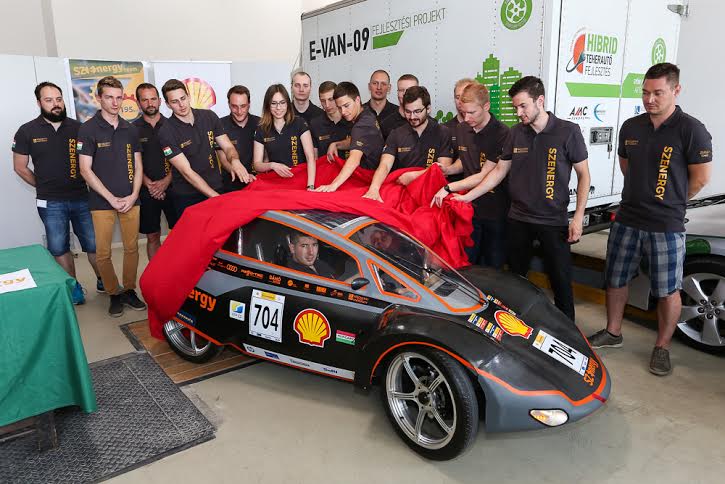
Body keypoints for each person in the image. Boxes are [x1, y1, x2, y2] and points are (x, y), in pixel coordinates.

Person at [587, 63, 712, 376]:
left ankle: (662, 347)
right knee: (616, 278)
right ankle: (613, 332)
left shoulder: (691, 129)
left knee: (668, 289)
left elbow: (700, 179)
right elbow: (626, 166)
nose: (649, 99)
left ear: (676, 90)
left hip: (666, 225)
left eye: (658, 93)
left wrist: (669, 201)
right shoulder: (631, 127)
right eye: (645, 92)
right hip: (627, 218)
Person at [446, 76, 590, 321]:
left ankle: (568, 329)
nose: (518, 113)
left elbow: (584, 175)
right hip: (518, 219)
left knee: (561, 282)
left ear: (540, 101)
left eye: (523, 106)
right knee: (516, 282)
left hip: (553, 221)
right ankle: (519, 328)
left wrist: (577, 217)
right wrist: (466, 197)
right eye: (515, 108)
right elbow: (497, 173)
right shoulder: (515, 133)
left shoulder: (567, 131)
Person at [12, 81, 102, 304]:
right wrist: (42, 186)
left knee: (94, 244)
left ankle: (104, 280)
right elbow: (20, 167)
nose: (55, 104)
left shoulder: (79, 128)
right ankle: (74, 288)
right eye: (49, 100)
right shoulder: (26, 131)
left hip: (82, 197)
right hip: (50, 202)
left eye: (58, 99)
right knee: (59, 247)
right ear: (39, 103)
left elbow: (93, 163)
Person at [78, 76, 146, 317]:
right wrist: (110, 198)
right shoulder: (87, 129)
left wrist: (134, 194)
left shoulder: (130, 129)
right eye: (109, 97)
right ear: (99, 98)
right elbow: (85, 169)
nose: (115, 102)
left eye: (119, 97)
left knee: (132, 248)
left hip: (131, 200)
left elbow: (138, 165)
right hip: (101, 202)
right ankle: (113, 293)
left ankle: (129, 289)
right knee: (103, 252)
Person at [431, 83, 511, 268]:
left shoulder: (502, 133)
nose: (466, 118)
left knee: (492, 266)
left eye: (472, 113)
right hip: (469, 211)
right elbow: (465, 160)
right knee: (467, 262)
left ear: (486, 106)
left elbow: (485, 175)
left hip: (495, 211)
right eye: (463, 112)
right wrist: (448, 170)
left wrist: (448, 188)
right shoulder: (462, 129)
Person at [158, 79, 248, 219]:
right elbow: (186, 172)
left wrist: (235, 161)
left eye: (183, 98)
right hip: (188, 196)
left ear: (188, 96)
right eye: (175, 102)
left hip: (216, 186)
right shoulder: (166, 131)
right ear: (168, 104)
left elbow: (227, 146)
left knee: (220, 231)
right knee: (193, 233)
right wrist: (216, 197)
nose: (181, 105)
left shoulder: (209, 116)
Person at [362, 86, 453, 202]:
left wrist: (414, 176)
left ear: (428, 108)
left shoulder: (442, 132)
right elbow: (385, 165)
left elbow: (443, 170)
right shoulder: (396, 134)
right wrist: (374, 189)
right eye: (408, 112)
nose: (412, 117)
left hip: (432, 192)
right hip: (403, 192)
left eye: (417, 111)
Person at [133, 83, 177, 261]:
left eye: (153, 99)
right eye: (145, 100)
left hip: (174, 187)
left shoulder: (173, 125)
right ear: (138, 103)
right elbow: (131, 162)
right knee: (152, 236)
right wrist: (149, 185)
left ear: (159, 101)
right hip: (146, 190)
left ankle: (177, 272)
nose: (150, 103)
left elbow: (184, 159)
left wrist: (166, 182)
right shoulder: (131, 130)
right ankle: (156, 273)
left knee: (179, 234)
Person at [315, 82, 384, 192]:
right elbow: (358, 139)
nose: (343, 112)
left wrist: (333, 185)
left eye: (346, 106)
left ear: (357, 100)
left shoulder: (361, 126)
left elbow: (354, 160)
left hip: (365, 178)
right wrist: (337, 144)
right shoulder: (366, 112)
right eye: (339, 107)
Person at [252, 84, 316, 189]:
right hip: (275, 183)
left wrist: (310, 186)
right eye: (274, 103)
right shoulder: (262, 129)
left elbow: (310, 157)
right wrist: (272, 165)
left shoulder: (299, 123)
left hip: (300, 179)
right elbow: (257, 164)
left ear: (287, 104)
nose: (278, 108)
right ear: (268, 105)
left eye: (282, 103)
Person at [217, 85, 259, 192]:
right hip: (230, 185)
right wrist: (241, 174)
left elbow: (266, 156)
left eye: (243, 106)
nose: (239, 111)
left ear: (249, 104)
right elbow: (223, 160)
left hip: (257, 184)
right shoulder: (220, 125)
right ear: (228, 105)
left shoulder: (261, 124)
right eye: (234, 106)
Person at [309, 81, 352, 160]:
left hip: (348, 166)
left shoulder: (350, 119)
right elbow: (314, 158)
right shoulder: (315, 124)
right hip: (325, 167)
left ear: (338, 97)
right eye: (323, 101)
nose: (327, 105)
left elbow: (359, 142)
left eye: (331, 99)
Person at [444, 78, 477, 160]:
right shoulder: (445, 129)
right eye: (457, 97)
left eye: (465, 97)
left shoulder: (485, 127)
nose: (460, 101)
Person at [380, 74, 419, 139]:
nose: (405, 94)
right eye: (401, 90)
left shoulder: (429, 123)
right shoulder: (386, 124)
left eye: (410, 90)